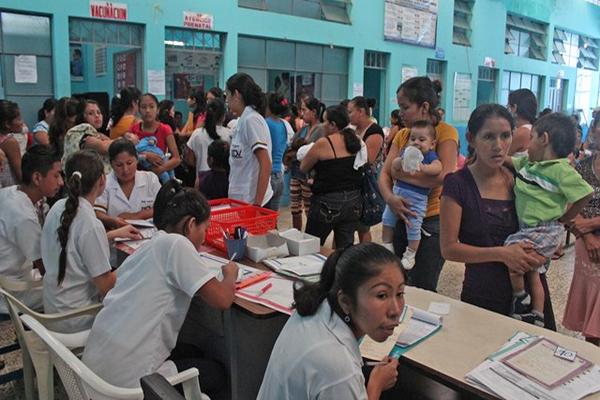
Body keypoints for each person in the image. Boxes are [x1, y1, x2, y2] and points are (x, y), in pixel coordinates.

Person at [83, 180, 237, 400]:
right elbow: (222, 299)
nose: (204, 237)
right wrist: (230, 273)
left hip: (95, 373)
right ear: (191, 224)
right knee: (218, 374)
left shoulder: (151, 244)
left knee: (192, 351)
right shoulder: (177, 245)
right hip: (127, 385)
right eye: (205, 228)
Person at [439, 104, 556, 328]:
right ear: (471, 139)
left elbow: (547, 213)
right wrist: (503, 254)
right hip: (485, 292)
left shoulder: (520, 176)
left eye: (505, 136)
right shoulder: (458, 185)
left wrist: (549, 242)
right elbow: (449, 248)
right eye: (489, 137)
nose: (498, 146)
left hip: (532, 292)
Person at [258, 243, 402, 400]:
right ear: (346, 302)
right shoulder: (340, 370)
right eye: (381, 295)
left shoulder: (317, 306)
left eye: (400, 293)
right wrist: (376, 385)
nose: (395, 311)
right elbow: (337, 373)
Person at [503, 113, 592, 325]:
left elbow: (585, 193)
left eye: (531, 138)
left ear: (543, 139)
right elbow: (508, 161)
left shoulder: (561, 170)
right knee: (534, 273)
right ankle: (538, 313)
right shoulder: (529, 164)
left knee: (510, 250)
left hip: (544, 229)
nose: (527, 144)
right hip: (530, 228)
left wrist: (567, 217)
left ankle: (520, 296)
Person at [42, 150, 140, 333]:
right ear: (102, 180)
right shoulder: (89, 223)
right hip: (77, 318)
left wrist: (112, 234)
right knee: (140, 308)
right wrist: (138, 257)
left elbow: (73, 243)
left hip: (55, 308)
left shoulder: (58, 207)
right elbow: (107, 286)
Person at [379, 77, 458, 291]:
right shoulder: (404, 135)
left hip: (429, 220)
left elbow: (444, 175)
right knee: (396, 281)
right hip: (397, 213)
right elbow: (384, 174)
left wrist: (400, 174)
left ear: (424, 107)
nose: (400, 113)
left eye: (405, 107)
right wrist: (390, 199)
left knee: (422, 286)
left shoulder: (444, 132)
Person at [0, 145, 63, 313]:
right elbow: (45, 268)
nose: (61, 182)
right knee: (75, 294)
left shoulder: (10, 192)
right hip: (11, 288)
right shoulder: (24, 216)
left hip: (14, 274)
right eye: (56, 176)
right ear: (37, 178)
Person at [301, 105, 365, 248]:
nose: (322, 125)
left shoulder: (324, 143)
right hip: (354, 202)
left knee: (311, 248)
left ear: (332, 125)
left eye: (325, 121)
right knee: (345, 249)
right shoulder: (355, 140)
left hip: (328, 202)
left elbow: (303, 167)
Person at [382, 121, 442, 269]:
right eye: (413, 139)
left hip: (417, 199)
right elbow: (393, 166)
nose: (416, 143)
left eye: (422, 140)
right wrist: (399, 161)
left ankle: (410, 253)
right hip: (398, 193)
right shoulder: (406, 152)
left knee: (413, 226)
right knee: (387, 219)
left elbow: (438, 168)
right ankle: (387, 244)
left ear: (432, 144)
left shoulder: (429, 156)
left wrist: (424, 168)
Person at [563, 126, 600, 345]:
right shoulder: (582, 167)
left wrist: (590, 223)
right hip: (586, 245)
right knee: (591, 314)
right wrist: (587, 236)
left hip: (588, 232)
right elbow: (568, 210)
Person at [226, 73, 273, 207]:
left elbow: (265, 164)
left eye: (228, 95)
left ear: (236, 94)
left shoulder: (251, 120)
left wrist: (257, 206)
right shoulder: (243, 120)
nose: (227, 101)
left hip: (253, 203)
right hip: (242, 201)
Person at [95, 139, 161, 230]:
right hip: (117, 235)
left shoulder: (150, 179)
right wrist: (113, 221)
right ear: (111, 164)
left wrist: (136, 216)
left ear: (137, 160)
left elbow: (163, 208)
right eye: (119, 165)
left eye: (129, 163)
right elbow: (98, 212)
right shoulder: (104, 183)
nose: (125, 169)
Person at [285, 97, 325, 230]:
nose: (301, 113)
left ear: (314, 112)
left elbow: (313, 152)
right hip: (296, 173)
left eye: (304, 110)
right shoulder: (304, 129)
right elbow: (292, 144)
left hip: (309, 175)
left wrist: (297, 151)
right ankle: (297, 235)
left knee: (309, 209)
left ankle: (309, 236)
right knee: (295, 209)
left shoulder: (320, 129)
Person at [348, 96, 384, 243]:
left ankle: (365, 258)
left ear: (361, 111)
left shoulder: (374, 131)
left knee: (362, 228)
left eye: (350, 112)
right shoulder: (353, 130)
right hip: (353, 184)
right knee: (347, 228)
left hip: (366, 186)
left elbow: (367, 159)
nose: (348, 115)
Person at [131, 93, 181, 181]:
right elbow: (129, 155)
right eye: (143, 107)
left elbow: (176, 159)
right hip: (139, 178)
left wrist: (161, 169)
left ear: (157, 110)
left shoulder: (165, 129)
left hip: (160, 179)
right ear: (139, 110)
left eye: (151, 107)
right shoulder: (133, 129)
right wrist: (147, 156)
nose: (147, 110)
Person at [185, 98, 231, 187]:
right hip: (224, 181)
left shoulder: (197, 134)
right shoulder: (229, 134)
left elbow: (189, 160)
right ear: (223, 116)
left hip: (202, 182)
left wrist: (200, 162)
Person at [62, 99, 112, 174]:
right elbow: (105, 147)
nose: (97, 116)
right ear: (82, 116)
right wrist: (126, 141)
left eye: (99, 112)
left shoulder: (97, 134)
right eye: (90, 113)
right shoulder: (82, 130)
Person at [265, 92, 290, 211]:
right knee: (273, 220)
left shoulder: (266, 123)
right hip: (279, 176)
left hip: (268, 177)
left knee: (263, 220)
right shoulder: (283, 124)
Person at [0, 100, 24, 187]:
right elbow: (20, 174)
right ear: (7, 124)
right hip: (8, 190)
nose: (22, 122)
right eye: (19, 119)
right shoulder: (10, 142)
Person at [507, 88, 537, 157]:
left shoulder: (521, 133)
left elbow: (502, 157)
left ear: (514, 108)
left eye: (508, 105)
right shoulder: (532, 129)